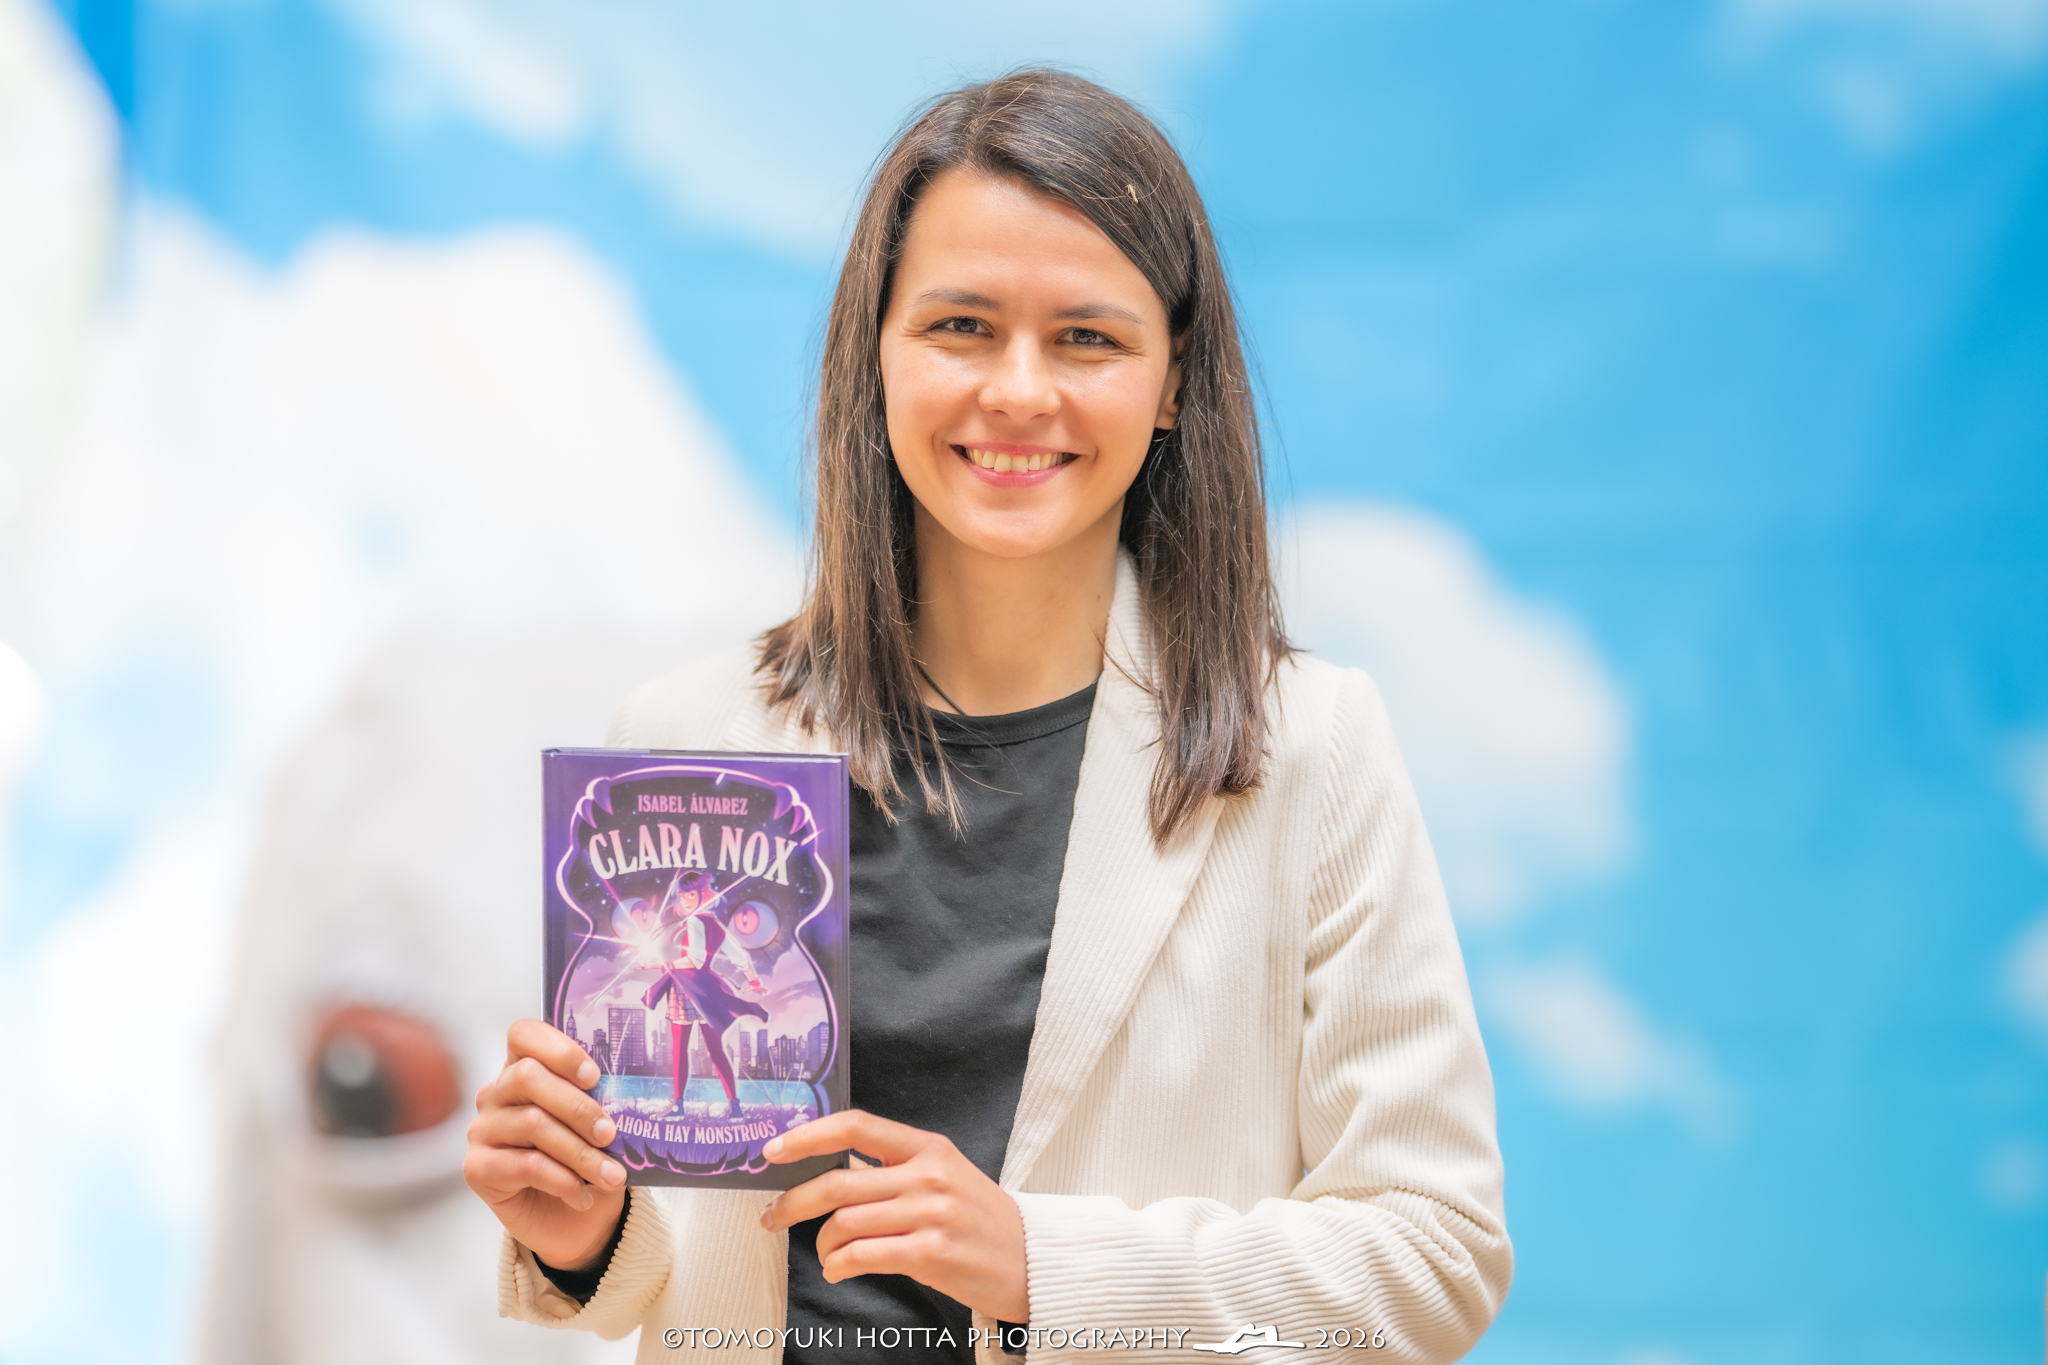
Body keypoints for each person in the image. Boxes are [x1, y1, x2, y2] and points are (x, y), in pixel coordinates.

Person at [463, 69, 1511, 1364]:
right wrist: (582, 1231)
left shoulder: (1311, 750)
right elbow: (668, 1269)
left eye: (1087, 338)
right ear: (877, 353)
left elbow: (1434, 1254)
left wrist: (1039, 1262)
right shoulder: (687, 737)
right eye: (961, 325)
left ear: (1173, 380)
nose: (1018, 390)